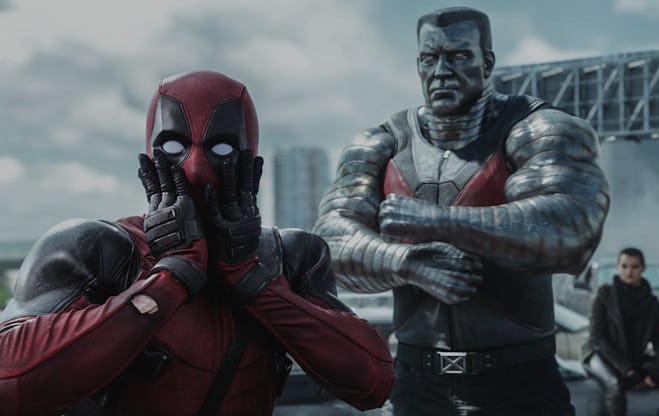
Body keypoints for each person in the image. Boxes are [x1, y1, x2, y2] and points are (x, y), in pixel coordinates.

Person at [0, 70, 394, 415]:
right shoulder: (97, 249)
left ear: (250, 159)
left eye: (221, 148)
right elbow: (9, 382)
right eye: (174, 146)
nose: (195, 167)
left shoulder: (290, 257)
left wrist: (253, 281)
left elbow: (372, 382)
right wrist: (168, 279)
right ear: (150, 157)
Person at [313, 6, 609, 415]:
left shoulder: (537, 128)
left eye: (457, 56)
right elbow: (328, 244)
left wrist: (439, 222)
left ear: (486, 63)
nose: (441, 71)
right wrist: (406, 262)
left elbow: (573, 228)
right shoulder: (381, 143)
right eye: (429, 59)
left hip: (518, 382)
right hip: (417, 382)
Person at [582, 247, 659, 416]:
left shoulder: (652, 303)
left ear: (643, 268)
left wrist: (657, 373)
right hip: (601, 356)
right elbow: (598, 339)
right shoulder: (605, 294)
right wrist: (628, 370)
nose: (629, 272)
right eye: (624, 266)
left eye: (634, 267)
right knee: (615, 385)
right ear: (618, 267)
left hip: (635, 357)